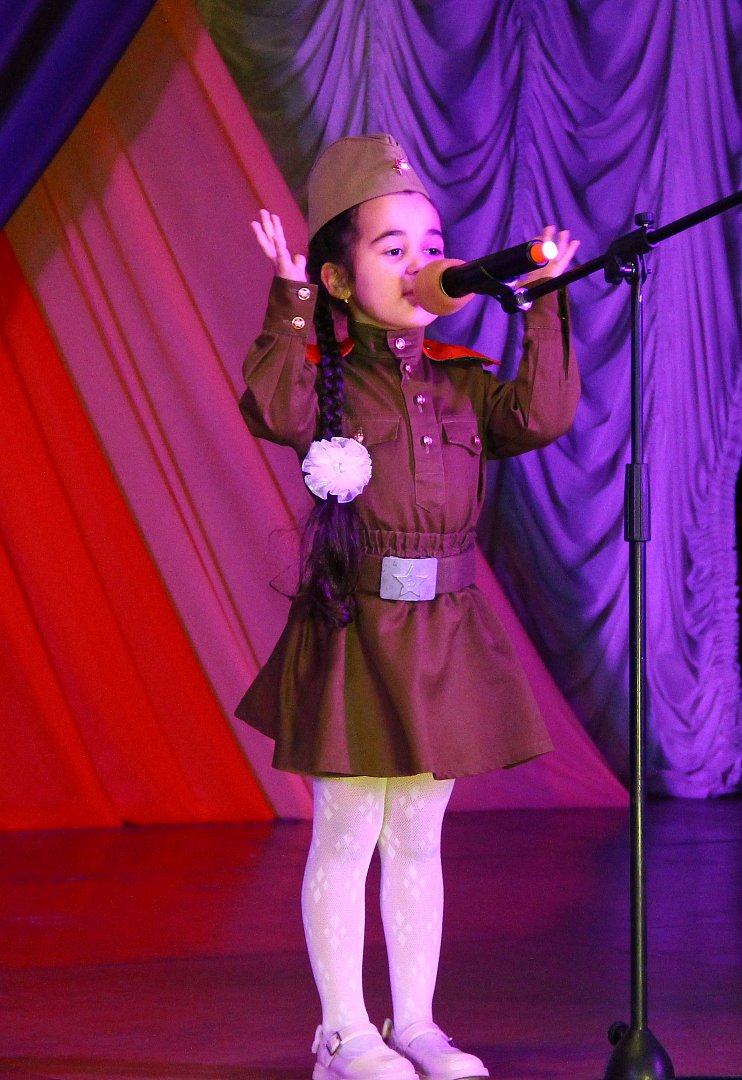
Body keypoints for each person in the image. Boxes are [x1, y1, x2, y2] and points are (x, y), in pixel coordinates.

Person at [236, 133, 580, 1080]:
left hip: (444, 630)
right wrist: (290, 299)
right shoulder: (330, 375)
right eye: (392, 248)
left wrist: (543, 304)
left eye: (432, 246)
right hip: (357, 628)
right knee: (347, 833)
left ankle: (417, 1024)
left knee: (419, 837)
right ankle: (344, 1034)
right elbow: (272, 406)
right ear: (340, 279)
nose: (423, 263)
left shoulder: (462, 376)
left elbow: (542, 415)